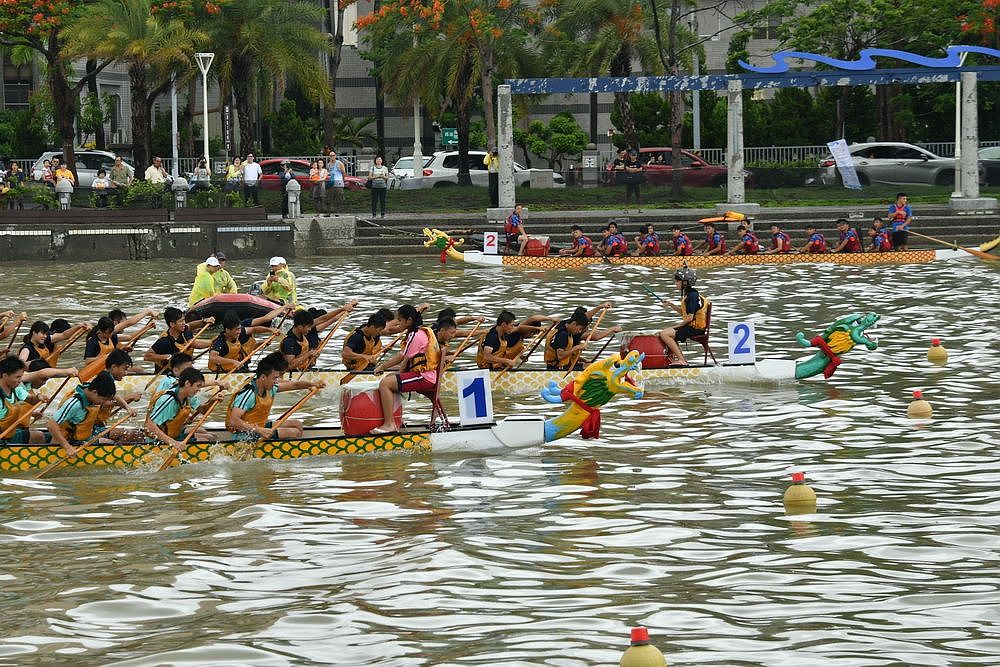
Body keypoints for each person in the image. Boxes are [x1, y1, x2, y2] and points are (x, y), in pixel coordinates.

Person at [370, 306, 458, 434]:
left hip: (424, 377)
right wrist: (398, 374)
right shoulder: (423, 331)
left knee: (385, 384)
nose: (399, 323)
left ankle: (389, 424)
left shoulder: (415, 334)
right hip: (428, 376)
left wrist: (382, 366)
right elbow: (407, 359)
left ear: (409, 320)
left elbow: (402, 356)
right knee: (390, 380)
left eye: (400, 320)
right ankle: (396, 420)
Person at [226, 351, 325, 440]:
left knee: (297, 424)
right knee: (294, 432)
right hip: (245, 435)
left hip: (260, 426)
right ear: (263, 377)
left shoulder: (270, 387)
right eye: (275, 378)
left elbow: (294, 385)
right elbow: (233, 421)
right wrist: (260, 430)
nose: (276, 381)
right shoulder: (249, 394)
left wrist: (312, 384)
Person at [146, 367, 215, 451]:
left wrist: (212, 400)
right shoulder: (168, 400)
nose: (199, 390)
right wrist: (174, 443)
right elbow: (149, 425)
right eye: (198, 386)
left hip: (173, 434)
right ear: (187, 383)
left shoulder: (188, 396)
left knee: (209, 435)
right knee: (205, 439)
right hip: (159, 440)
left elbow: (203, 410)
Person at [52, 371, 119, 453]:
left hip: (84, 438)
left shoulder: (89, 390)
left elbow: (112, 397)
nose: (104, 403)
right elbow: (51, 424)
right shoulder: (75, 404)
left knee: (114, 441)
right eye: (103, 400)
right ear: (95, 392)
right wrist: (67, 447)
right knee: (109, 443)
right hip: (69, 441)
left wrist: (127, 407)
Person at [281, 303, 355, 371]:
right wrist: (308, 354)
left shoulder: (301, 330)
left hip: (305, 369)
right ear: (300, 326)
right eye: (308, 327)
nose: (310, 329)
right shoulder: (289, 342)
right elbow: (289, 366)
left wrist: (343, 309)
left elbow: (324, 318)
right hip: (292, 374)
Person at [657, 268, 708, 366]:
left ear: (685, 282)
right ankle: (680, 359)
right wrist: (671, 305)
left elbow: (689, 318)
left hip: (695, 329)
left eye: (677, 281)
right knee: (668, 332)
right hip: (694, 327)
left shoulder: (691, 296)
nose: (675, 283)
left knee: (665, 334)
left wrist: (675, 327)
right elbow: (686, 314)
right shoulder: (692, 294)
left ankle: (682, 360)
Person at [209, 307, 286, 373]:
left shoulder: (239, 332)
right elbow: (213, 358)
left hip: (237, 369)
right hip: (222, 372)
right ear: (227, 330)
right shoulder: (219, 341)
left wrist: (270, 330)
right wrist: (233, 362)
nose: (239, 332)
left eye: (239, 329)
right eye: (236, 329)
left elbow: (254, 329)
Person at [477, 311, 556, 370]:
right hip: (487, 369)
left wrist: (520, 356)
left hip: (499, 367)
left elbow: (501, 351)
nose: (513, 328)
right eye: (511, 325)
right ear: (504, 324)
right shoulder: (492, 336)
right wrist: (506, 361)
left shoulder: (504, 333)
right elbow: (487, 357)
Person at [144, 307, 212, 373]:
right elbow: (147, 356)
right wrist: (168, 357)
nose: (184, 323)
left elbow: (191, 325)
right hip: (166, 373)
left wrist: (204, 321)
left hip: (183, 370)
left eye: (184, 320)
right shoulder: (164, 341)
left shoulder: (183, 330)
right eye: (181, 321)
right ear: (172, 324)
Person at [0, 355, 46, 446]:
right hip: (2, 436)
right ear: (5, 375)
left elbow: (31, 399)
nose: (20, 381)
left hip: (10, 433)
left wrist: (38, 397)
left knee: (39, 436)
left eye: (21, 377)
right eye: (17, 377)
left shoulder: (16, 389)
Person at [19, 319, 87, 372]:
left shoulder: (45, 340)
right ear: (34, 332)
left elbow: (64, 335)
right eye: (42, 333)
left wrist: (79, 326)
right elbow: (19, 366)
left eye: (46, 334)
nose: (45, 336)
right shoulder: (26, 349)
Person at [622, 148, 644, 212]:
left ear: (636, 155)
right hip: (629, 180)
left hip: (637, 180)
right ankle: (626, 209)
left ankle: (639, 209)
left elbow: (641, 169)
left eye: (634, 155)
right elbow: (627, 169)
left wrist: (632, 170)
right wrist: (635, 170)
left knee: (638, 195)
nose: (633, 156)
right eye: (632, 155)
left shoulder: (638, 162)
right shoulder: (627, 162)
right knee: (628, 195)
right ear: (629, 155)